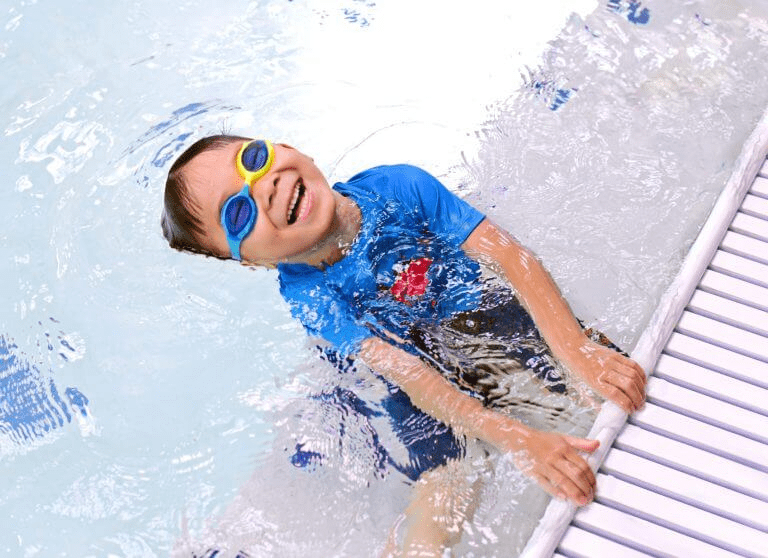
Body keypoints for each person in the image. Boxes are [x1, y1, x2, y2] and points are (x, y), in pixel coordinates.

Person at [162, 135, 646, 555]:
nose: (262, 186)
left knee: (604, 386)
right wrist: (516, 440)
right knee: (446, 485)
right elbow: (410, 377)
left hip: (472, 315)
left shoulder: (398, 187)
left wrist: (575, 347)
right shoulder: (308, 295)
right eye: (239, 211)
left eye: (255, 159)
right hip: (401, 379)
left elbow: (511, 259)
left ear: (290, 148)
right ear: (249, 261)